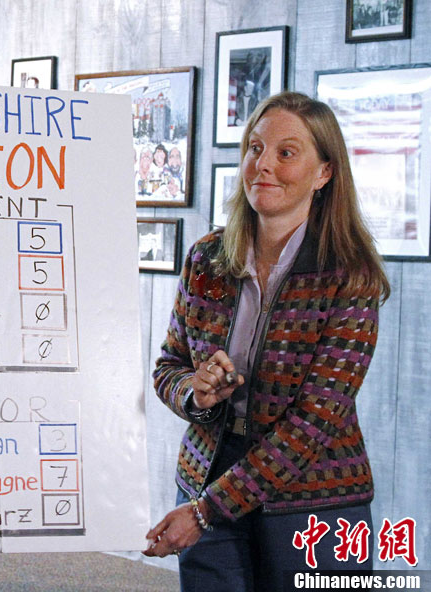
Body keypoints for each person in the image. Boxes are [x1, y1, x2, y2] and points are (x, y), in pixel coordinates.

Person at [144, 91, 390, 592]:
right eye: (255, 148)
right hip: (207, 472)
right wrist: (195, 392)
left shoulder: (351, 275)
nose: (264, 165)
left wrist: (207, 510)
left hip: (314, 499)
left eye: (286, 152)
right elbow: (169, 366)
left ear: (324, 173)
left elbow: (313, 422)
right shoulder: (207, 257)